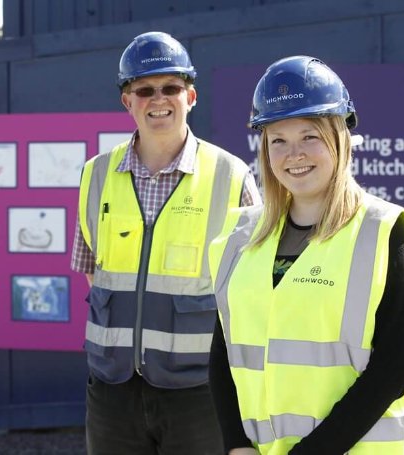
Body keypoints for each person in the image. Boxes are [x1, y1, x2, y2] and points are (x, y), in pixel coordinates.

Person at [207, 55, 404, 454]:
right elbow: (224, 350)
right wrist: (236, 443)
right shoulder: (239, 236)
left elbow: (399, 364)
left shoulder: (385, 230)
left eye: (309, 136)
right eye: (278, 140)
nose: (294, 154)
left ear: (339, 139)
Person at [72, 31, 261, 454]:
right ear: (128, 101)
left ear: (190, 96)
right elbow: (90, 266)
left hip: (199, 390)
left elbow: (253, 285)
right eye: (145, 89)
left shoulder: (231, 177)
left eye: (171, 87)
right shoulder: (95, 174)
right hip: (112, 388)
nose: (159, 99)